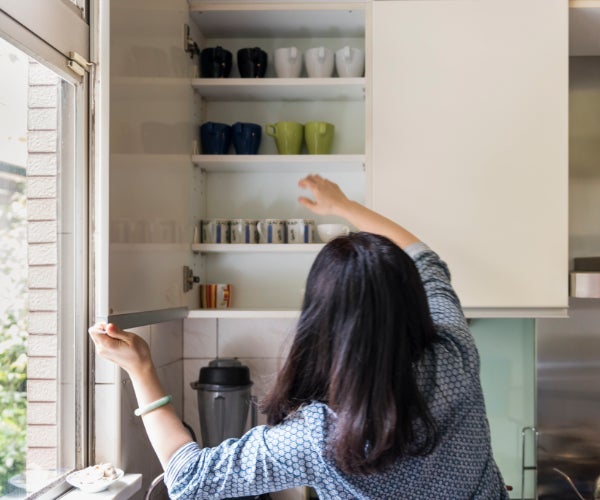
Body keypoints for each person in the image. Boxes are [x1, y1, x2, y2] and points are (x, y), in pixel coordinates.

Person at [89, 174, 509, 499]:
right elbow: (426, 259)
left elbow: (189, 478)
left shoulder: (321, 435)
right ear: (412, 298)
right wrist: (344, 206)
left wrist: (140, 369)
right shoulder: (455, 351)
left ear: (321, 320)